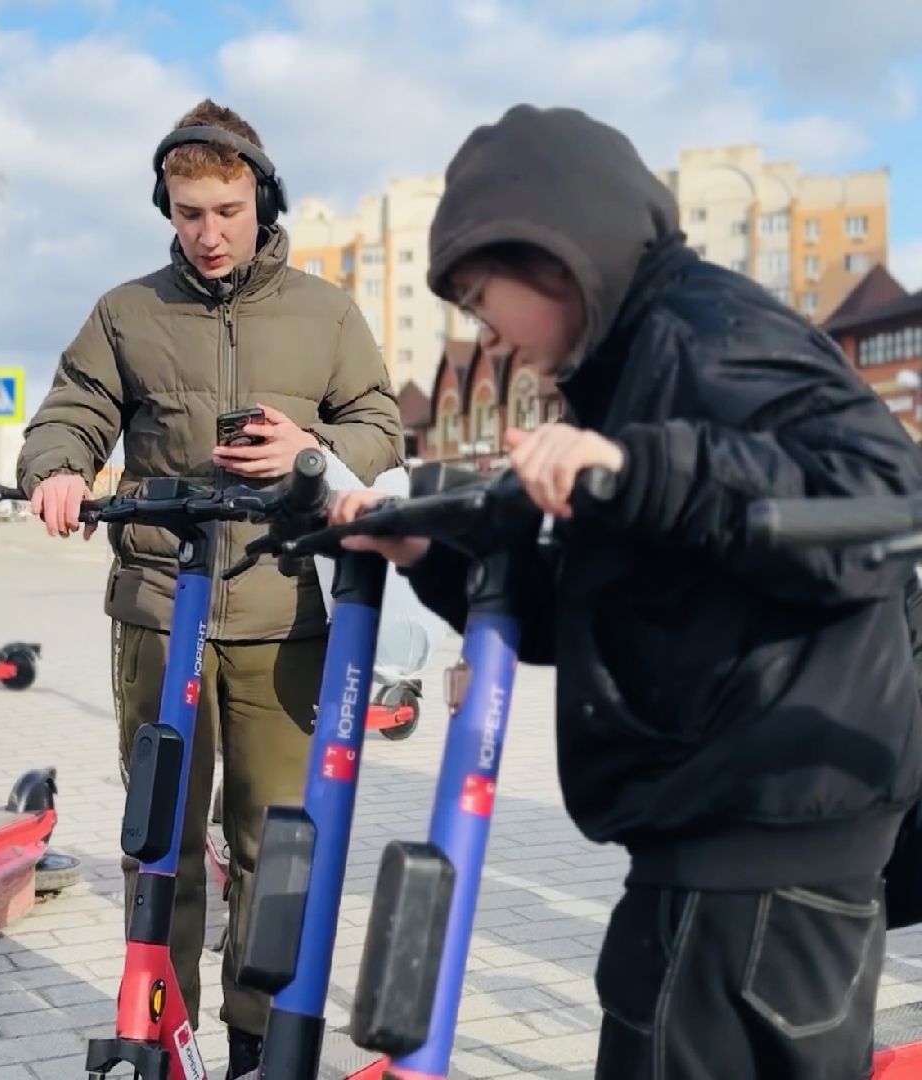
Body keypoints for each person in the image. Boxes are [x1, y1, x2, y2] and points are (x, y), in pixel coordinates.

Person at [330, 103, 922, 1080]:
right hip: (724, 826)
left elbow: (882, 497)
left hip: (762, 831)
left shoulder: (701, 331)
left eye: (486, 300)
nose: (496, 336)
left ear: (556, 253)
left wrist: (636, 465)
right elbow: (591, 614)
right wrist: (426, 557)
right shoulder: (632, 365)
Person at [16, 99, 402, 1078]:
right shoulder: (128, 311)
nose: (209, 231)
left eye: (226, 209)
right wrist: (58, 468)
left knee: (276, 846)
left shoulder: (326, 312)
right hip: (159, 608)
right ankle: (163, 1035)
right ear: (168, 208)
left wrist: (312, 448)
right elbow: (71, 412)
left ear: (260, 202)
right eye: (189, 211)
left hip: (285, 610)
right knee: (164, 845)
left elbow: (382, 427)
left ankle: (258, 1045)